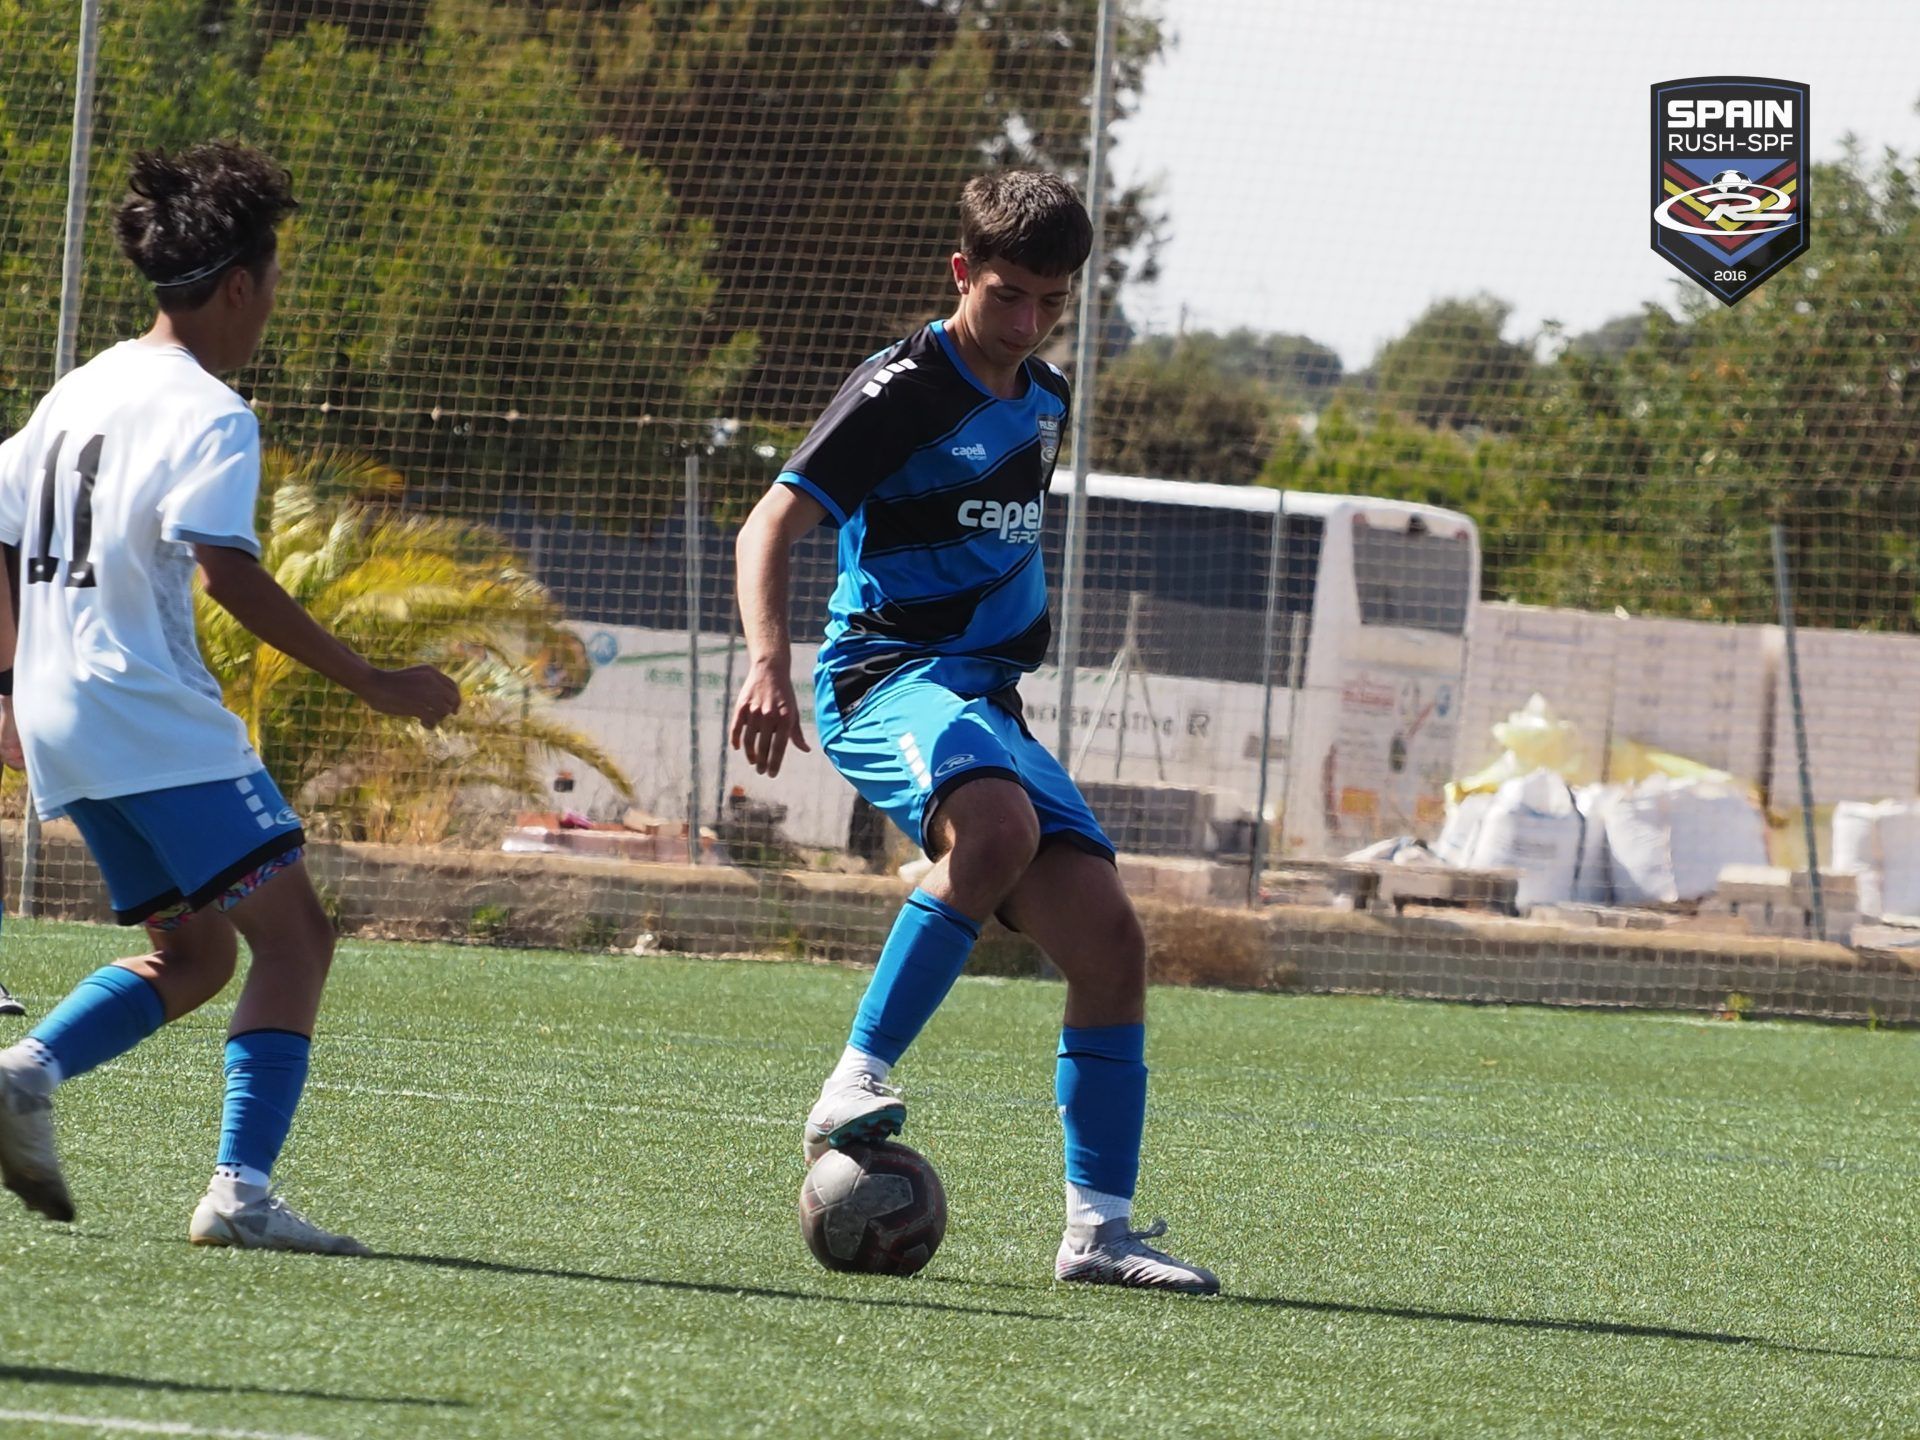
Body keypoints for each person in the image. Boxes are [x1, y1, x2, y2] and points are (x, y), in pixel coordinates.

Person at [730, 170, 1218, 1294]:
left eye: (1051, 301)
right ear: (961, 273)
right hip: (883, 678)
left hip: (983, 703)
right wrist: (769, 663)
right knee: (990, 830)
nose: (1028, 323)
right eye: (1008, 296)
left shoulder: (1042, 399)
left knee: (1111, 946)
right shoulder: (898, 388)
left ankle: (1098, 1234)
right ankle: (853, 1079)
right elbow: (772, 521)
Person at [0, 142, 461, 1253]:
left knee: (197, 954)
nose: (269, 313)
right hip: (152, 719)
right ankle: (240, 1195)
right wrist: (375, 679)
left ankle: (24, 1074)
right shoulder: (211, 410)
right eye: (273, 288)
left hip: (65, 716)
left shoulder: (82, 386)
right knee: (296, 941)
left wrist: (11, 685)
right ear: (241, 285)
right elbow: (226, 570)